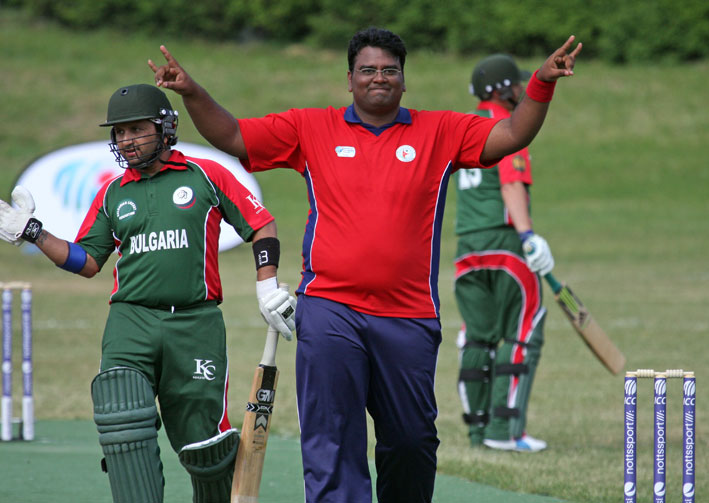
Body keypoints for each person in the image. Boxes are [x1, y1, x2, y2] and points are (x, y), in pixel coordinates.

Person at [148, 27, 581, 503]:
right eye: (369, 70)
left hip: (409, 315)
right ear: (350, 78)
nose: (380, 78)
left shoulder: (441, 131)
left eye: (390, 70)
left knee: (412, 441)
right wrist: (191, 91)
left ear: (403, 79)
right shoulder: (310, 127)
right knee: (332, 438)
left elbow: (513, 133)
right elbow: (232, 135)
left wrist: (540, 82)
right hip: (330, 308)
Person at [0, 84, 296, 503]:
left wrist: (266, 285)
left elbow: (261, 224)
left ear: (166, 128)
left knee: (206, 450)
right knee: (122, 421)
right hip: (131, 321)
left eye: (136, 129)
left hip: (196, 322)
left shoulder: (206, 177)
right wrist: (32, 232)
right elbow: (87, 261)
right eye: (119, 133)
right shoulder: (113, 193)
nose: (126, 140)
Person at [453, 54, 555, 453]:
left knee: (478, 338)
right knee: (522, 333)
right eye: (516, 85)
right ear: (501, 90)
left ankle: (478, 431)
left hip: (467, 249)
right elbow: (511, 184)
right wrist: (528, 235)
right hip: (506, 246)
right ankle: (504, 431)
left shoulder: (464, 127)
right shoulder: (511, 128)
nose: (520, 90)